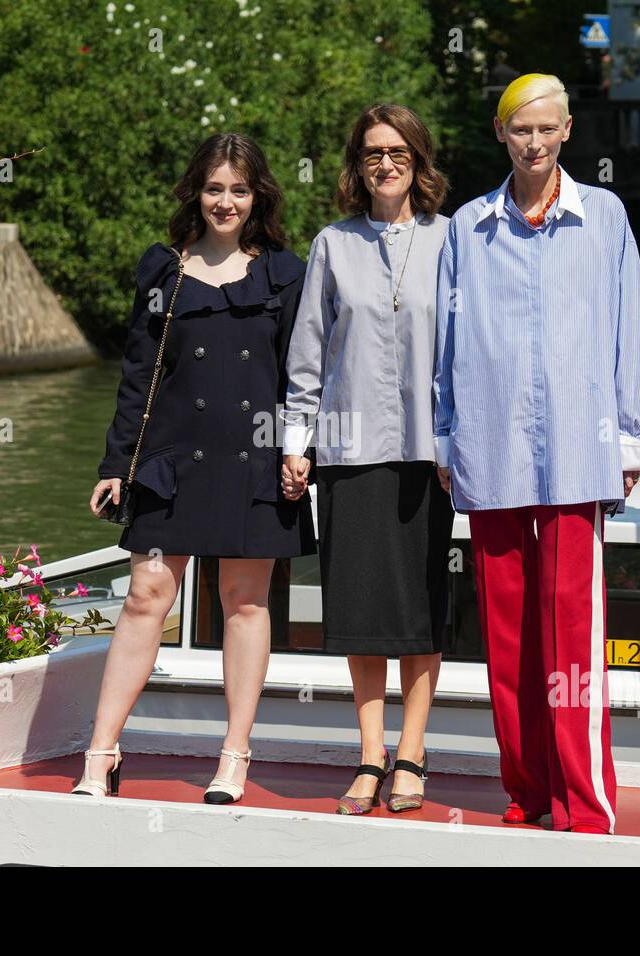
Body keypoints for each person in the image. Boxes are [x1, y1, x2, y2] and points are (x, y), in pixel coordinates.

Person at [433, 73, 640, 834]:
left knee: (571, 635)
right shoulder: (467, 227)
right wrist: (444, 435)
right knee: (505, 634)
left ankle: (584, 803)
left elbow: (627, 329)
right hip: (489, 447)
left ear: (567, 133)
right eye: (520, 129)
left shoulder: (606, 218)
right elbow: (446, 343)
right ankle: (526, 791)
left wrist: (628, 436)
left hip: (577, 448)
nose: (534, 142)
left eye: (547, 129)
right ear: (501, 133)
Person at [81, 133, 315, 804]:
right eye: (215, 188)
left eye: (239, 190)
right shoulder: (164, 272)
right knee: (145, 597)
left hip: (258, 457)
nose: (226, 201)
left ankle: (234, 755)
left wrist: (304, 449)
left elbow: (305, 374)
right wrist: (117, 461)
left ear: (257, 197)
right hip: (170, 458)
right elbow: (136, 376)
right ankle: (102, 751)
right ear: (197, 193)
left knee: (245, 602)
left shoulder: (285, 274)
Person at [281, 104, 453, 815]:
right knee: (357, 611)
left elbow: (469, 351)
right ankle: (369, 755)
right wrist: (295, 441)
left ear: (419, 160)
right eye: (372, 153)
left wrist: (461, 440)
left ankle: (411, 754)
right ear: (357, 164)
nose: (385, 163)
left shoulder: (453, 240)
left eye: (398, 152)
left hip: (428, 453)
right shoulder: (332, 243)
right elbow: (309, 350)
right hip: (349, 452)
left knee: (419, 609)